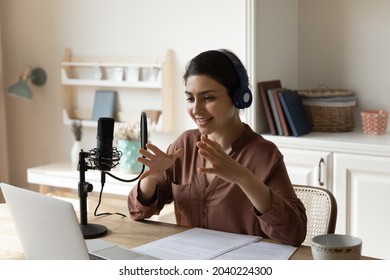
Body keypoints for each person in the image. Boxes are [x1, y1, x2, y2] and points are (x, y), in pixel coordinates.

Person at [128, 49, 307, 246]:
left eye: (208, 98)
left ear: (239, 97)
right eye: (190, 98)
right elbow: (138, 212)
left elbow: (294, 233)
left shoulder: (264, 154)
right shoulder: (184, 145)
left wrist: (242, 176)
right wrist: (152, 178)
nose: (196, 110)